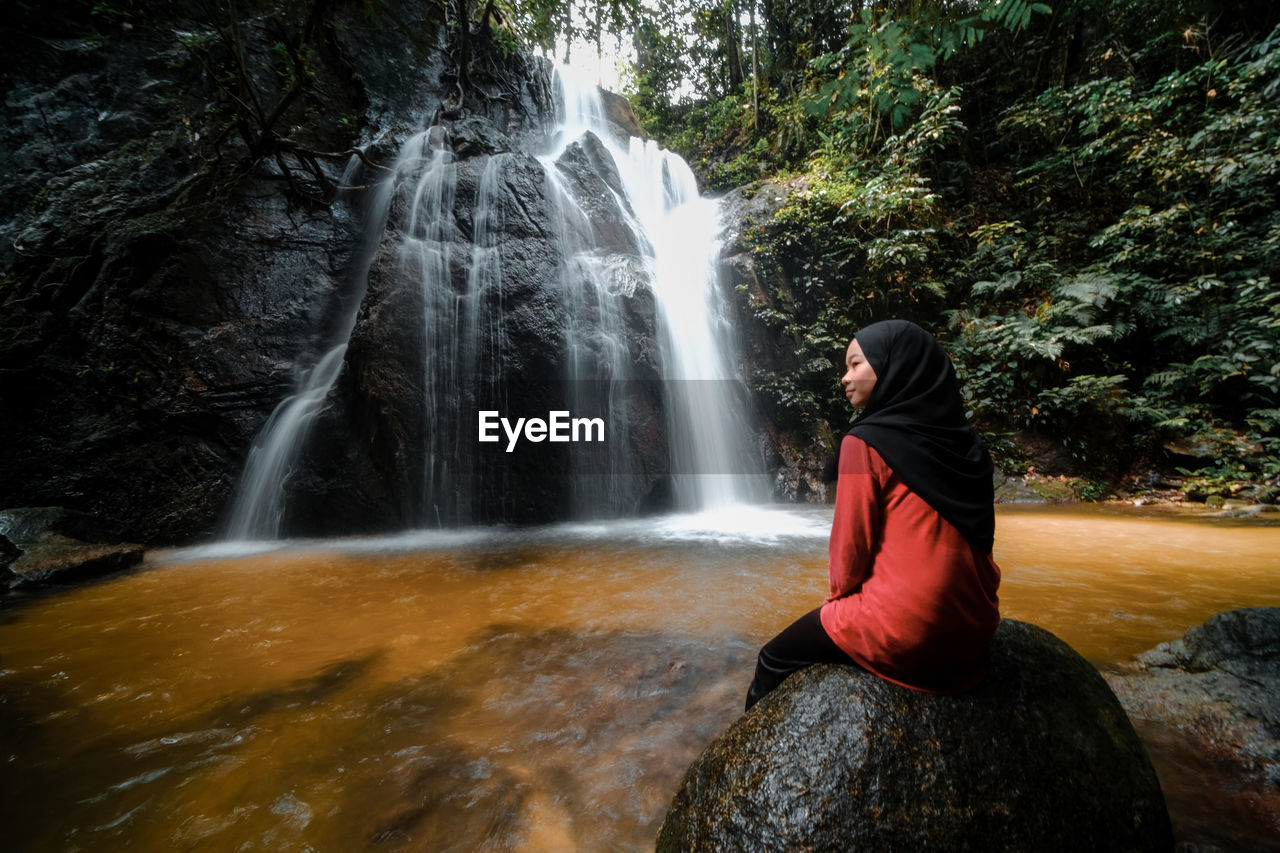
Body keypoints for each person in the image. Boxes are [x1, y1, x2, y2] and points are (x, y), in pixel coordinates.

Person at [744, 319, 1001, 711]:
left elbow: (849, 557)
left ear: (892, 366)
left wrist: (835, 608)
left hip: (909, 633)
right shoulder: (966, 447)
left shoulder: (864, 442)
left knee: (772, 658)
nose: (845, 378)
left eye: (855, 364)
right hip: (974, 632)